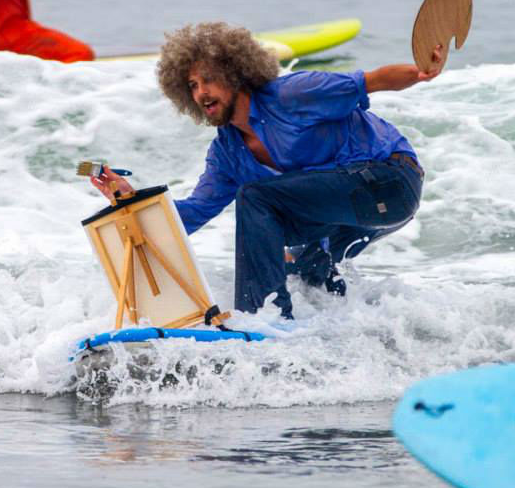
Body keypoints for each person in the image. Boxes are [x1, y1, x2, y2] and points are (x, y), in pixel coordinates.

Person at [91, 22, 447, 319]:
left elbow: (373, 80)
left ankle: (261, 319)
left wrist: (421, 72)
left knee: (256, 198)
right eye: (191, 86)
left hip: (391, 181)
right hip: (347, 213)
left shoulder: (292, 95)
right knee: (305, 267)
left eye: (208, 80)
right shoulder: (227, 152)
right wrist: (131, 201)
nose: (200, 93)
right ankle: (337, 340)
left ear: (236, 74)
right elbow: (193, 214)